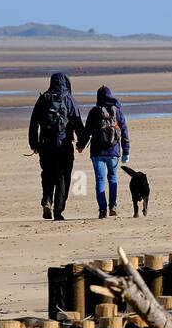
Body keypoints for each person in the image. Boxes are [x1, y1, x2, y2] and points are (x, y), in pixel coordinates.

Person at [28, 72, 84, 221]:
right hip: (64, 145)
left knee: (47, 174)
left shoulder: (43, 99)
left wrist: (33, 144)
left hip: (45, 146)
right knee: (62, 178)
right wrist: (82, 143)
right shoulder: (69, 99)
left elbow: (33, 123)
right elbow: (78, 123)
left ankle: (47, 200)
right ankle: (58, 211)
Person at [78, 85, 130, 219]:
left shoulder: (94, 111)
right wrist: (126, 152)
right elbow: (124, 131)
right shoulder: (116, 111)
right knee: (112, 178)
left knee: (100, 180)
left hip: (97, 152)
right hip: (113, 151)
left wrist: (81, 145)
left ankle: (102, 210)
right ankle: (113, 206)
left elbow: (87, 131)